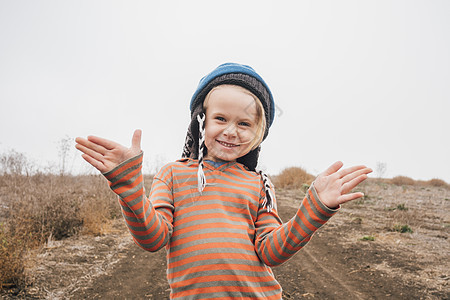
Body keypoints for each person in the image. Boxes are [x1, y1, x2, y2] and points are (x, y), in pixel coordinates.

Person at [75, 62, 372, 299]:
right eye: (220, 119)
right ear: (200, 121)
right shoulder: (173, 174)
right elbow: (154, 239)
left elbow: (271, 251)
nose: (231, 131)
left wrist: (315, 209)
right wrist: (129, 189)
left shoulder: (259, 184)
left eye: (244, 123)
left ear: (258, 134)